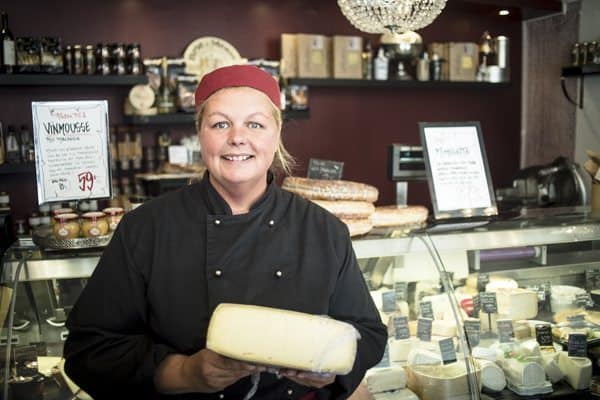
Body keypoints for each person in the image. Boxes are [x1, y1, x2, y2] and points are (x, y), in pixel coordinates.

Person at [64, 64, 387, 399]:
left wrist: (329, 368)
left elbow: (367, 333)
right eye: (220, 124)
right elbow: (89, 351)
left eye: (255, 124)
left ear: (276, 135)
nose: (237, 137)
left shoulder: (324, 229)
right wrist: (183, 373)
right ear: (199, 134)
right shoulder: (146, 228)